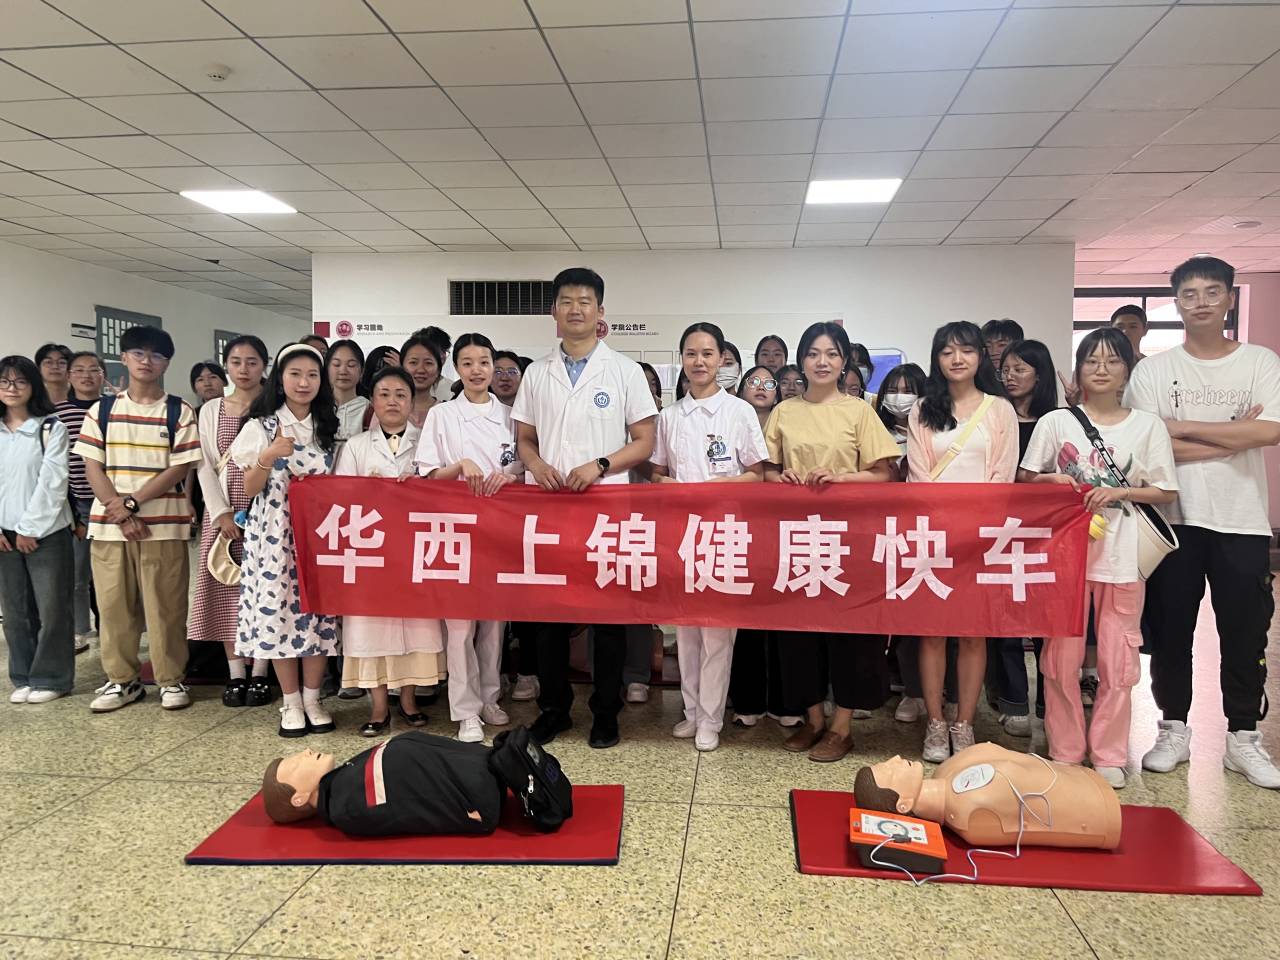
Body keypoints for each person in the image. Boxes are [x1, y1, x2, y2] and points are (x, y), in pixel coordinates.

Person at [1127, 256, 1280, 789]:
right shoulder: (1153, 370)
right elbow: (1148, 443)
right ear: (1177, 303)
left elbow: (1269, 432)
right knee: (1172, 630)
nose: (1201, 302)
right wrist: (1230, 435)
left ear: (1230, 299)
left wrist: (1181, 427)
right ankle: (1173, 728)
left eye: (1212, 292)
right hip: (1174, 519)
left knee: (1245, 631)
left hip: (1242, 520)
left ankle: (1243, 736)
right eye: (1189, 294)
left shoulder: (1260, 362)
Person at [1020, 328, 1177, 789]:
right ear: (1079, 369)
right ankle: (1066, 749)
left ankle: (1109, 752)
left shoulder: (1147, 426)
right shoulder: (1057, 422)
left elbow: (1166, 490)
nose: (1101, 370)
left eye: (1112, 361)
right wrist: (1051, 482)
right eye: (1092, 361)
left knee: (1119, 659)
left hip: (1124, 558)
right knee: (1059, 659)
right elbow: (1026, 478)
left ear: (1128, 370)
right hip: (1064, 560)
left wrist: (1121, 492)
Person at [512, 267, 658, 749]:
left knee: (607, 619)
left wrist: (600, 464)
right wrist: (536, 464)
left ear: (600, 312)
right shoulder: (537, 372)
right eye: (567, 301)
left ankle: (606, 712)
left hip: (607, 508)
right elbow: (525, 438)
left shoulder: (625, 371)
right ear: (554, 312)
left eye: (585, 301)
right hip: (550, 509)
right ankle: (554, 709)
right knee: (548, 619)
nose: (575, 309)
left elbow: (644, 441)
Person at [764, 321, 900, 762]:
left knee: (849, 636)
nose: (822, 362)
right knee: (798, 635)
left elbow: (884, 474)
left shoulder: (859, 411)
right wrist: (781, 478)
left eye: (832, 354)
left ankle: (842, 727)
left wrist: (841, 479)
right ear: (801, 361)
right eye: (813, 353)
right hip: (796, 539)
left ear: (845, 362)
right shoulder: (785, 411)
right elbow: (766, 469)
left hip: (848, 540)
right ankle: (813, 720)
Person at [650, 322, 768, 751]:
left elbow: (757, 475)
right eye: (691, 353)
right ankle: (691, 711)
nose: (699, 362)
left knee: (718, 634)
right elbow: (657, 473)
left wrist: (716, 487)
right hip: (682, 534)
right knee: (685, 631)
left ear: (722, 359)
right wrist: (667, 486)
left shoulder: (739, 412)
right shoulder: (669, 417)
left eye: (708, 353)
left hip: (724, 534)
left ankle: (711, 719)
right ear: (682, 359)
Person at [907, 321, 1018, 762]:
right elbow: (918, 477)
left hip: (981, 540)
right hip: (933, 538)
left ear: (980, 357)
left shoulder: (999, 410)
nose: (957, 359)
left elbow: (1003, 479)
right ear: (936, 358)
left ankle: (964, 723)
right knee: (932, 634)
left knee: (974, 635)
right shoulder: (923, 408)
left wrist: (974, 532)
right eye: (947, 351)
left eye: (966, 350)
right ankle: (935, 722)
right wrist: (945, 529)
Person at [76, 326, 201, 713]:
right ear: (124, 358)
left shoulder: (179, 411)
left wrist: (131, 503)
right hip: (109, 528)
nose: (147, 361)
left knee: (167, 608)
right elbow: (92, 465)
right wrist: (118, 509)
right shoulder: (102, 411)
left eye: (157, 355)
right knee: (114, 608)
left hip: (163, 525)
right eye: (139, 353)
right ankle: (122, 680)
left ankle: (170, 679)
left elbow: (179, 467)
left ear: (167, 363)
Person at [417, 333, 523, 743]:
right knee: (460, 626)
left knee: (494, 623)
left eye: (484, 362)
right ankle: (465, 711)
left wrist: (509, 476)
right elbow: (428, 473)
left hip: (499, 530)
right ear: (456, 368)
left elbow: (523, 468)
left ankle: (490, 697)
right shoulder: (442, 415)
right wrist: (460, 466)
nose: (477, 370)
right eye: (467, 363)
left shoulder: (512, 416)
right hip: (453, 530)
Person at [230, 343, 340, 738]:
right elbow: (248, 488)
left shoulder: (328, 427)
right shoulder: (260, 427)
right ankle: (290, 702)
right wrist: (268, 455)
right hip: (274, 537)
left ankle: (313, 698)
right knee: (278, 616)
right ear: (280, 379)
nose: (304, 382)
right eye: (295, 373)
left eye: (312, 375)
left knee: (318, 617)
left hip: (318, 536)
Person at [335, 366, 445, 736]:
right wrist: (365, 490)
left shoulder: (427, 443)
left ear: (412, 402)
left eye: (400, 395)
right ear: (373, 401)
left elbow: (441, 494)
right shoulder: (355, 446)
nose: (392, 402)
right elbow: (339, 499)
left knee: (416, 628)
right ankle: (379, 707)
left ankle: (409, 701)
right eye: (384, 394)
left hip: (415, 552)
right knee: (371, 629)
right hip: (370, 553)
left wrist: (417, 488)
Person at [191, 335, 270, 708]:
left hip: (268, 510)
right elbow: (204, 464)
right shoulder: (212, 410)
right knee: (227, 590)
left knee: (267, 591)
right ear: (227, 365)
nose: (244, 369)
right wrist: (220, 511)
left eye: (252, 362)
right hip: (223, 511)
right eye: (237, 362)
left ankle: (261, 672)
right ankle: (236, 673)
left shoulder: (275, 404)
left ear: (264, 366)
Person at [991, 339, 1059, 734]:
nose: (1010, 377)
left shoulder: (1060, 420)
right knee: (1006, 622)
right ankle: (1013, 702)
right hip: (1001, 528)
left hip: (1047, 532)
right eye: (1006, 370)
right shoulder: (995, 416)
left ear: (1040, 373)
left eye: (1020, 369)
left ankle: (1049, 705)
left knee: (1046, 624)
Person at [1, 356, 75, 704]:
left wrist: (29, 529)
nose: (11, 388)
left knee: (52, 610)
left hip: (46, 534)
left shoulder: (50, 428)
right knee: (15, 612)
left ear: (33, 386)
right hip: (4, 536)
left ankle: (52, 678)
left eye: (20, 381)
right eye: (4, 381)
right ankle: (23, 675)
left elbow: (53, 483)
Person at [262, 734, 504, 834]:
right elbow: (415, 809)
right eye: (295, 765)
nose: (305, 751)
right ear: (299, 799)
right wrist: (472, 812)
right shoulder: (347, 808)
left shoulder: (340, 784)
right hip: (479, 789)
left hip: (483, 766)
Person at [872, 363, 929, 723]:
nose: (899, 397)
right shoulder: (874, 431)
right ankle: (874, 687)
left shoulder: (933, 432)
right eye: (894, 389)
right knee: (875, 618)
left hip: (919, 535)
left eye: (909, 390)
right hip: (875, 535)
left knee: (913, 621)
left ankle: (915, 691)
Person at [57, 351, 105, 654]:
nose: (86, 376)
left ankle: (110, 627)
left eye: (93, 370)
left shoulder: (111, 408)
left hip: (112, 501)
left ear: (103, 375)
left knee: (110, 573)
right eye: (79, 370)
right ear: (69, 376)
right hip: (78, 503)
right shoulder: (57, 413)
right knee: (77, 573)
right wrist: (72, 510)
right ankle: (79, 630)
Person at [324, 340, 369, 441]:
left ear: (361, 371)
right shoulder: (316, 407)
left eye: (351, 365)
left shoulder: (369, 410)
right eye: (336, 364)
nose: (343, 371)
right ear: (327, 369)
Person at [401, 334, 445, 428]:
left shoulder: (447, 412)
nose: (421, 370)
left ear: (438, 371)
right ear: (402, 368)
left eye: (428, 363)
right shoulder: (387, 409)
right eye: (413, 362)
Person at [413, 325, 457, 402]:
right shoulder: (408, 386)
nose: (442, 356)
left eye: (444, 351)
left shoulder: (453, 389)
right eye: (436, 351)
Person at [738, 365, 778, 430]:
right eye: (754, 382)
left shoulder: (783, 428)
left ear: (776, 398)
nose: (761, 387)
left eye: (769, 384)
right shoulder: (729, 423)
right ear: (741, 392)